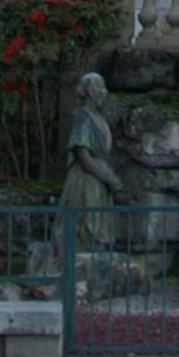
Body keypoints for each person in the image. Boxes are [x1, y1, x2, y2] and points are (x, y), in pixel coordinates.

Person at [57, 71, 119, 248]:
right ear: (91, 91)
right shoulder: (82, 116)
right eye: (101, 87)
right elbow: (83, 155)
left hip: (99, 179)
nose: (105, 91)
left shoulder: (99, 118)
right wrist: (108, 178)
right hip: (85, 180)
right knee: (85, 226)